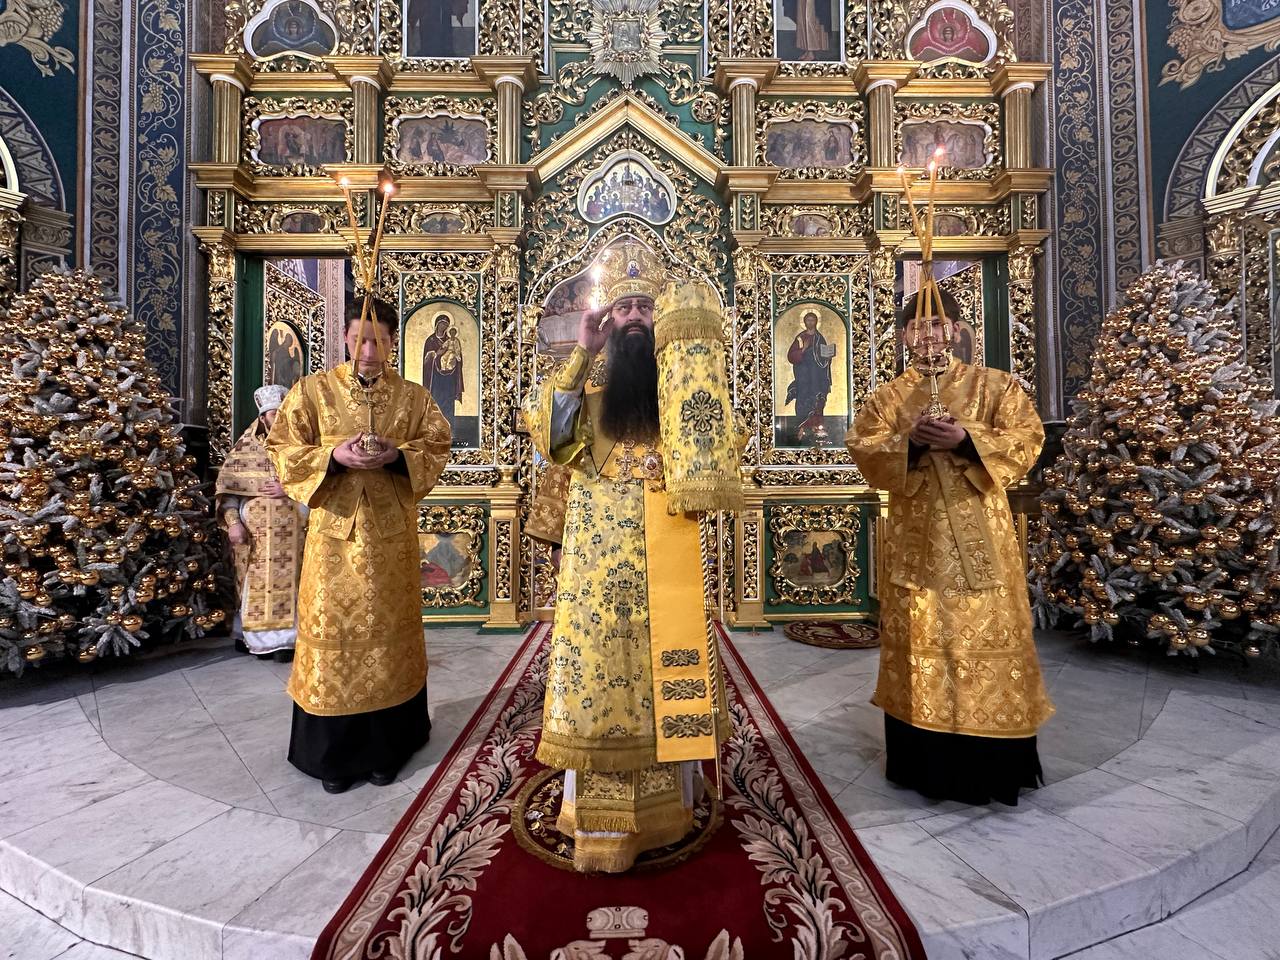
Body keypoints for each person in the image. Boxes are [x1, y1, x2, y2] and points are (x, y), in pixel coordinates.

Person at [522, 243, 740, 872]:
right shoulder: (589, 378)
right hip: (596, 561)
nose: (637, 315)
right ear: (609, 319)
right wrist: (580, 352)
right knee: (600, 671)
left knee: (662, 668)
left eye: (646, 305)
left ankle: (671, 807)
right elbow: (551, 437)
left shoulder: (678, 378)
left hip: (666, 542)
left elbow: (712, 438)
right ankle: (599, 822)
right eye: (625, 308)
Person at [846, 287, 1052, 805]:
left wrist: (967, 440)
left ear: (957, 330)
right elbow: (864, 448)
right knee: (925, 644)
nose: (928, 334)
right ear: (902, 336)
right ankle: (926, 766)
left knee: (988, 639)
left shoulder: (995, 384)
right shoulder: (889, 398)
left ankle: (994, 767)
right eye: (916, 326)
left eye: (937, 324)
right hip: (920, 546)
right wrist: (910, 442)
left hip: (984, 542)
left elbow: (1028, 438)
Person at [267, 298, 452, 794]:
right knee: (335, 636)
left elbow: (437, 445)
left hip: (391, 541)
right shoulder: (313, 391)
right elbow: (282, 447)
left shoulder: (413, 398)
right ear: (346, 339)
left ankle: (387, 750)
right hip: (333, 540)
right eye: (360, 339)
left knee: (387, 641)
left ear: (393, 342)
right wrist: (333, 456)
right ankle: (332, 754)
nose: (369, 350)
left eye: (380, 340)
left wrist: (397, 455)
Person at [216, 385, 307, 663]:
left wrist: (289, 488)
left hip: (293, 535)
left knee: (293, 583)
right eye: (272, 414)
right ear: (262, 417)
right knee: (252, 583)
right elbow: (228, 494)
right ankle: (251, 637)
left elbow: (318, 484)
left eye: (282, 414)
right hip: (254, 537)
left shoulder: (302, 448)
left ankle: (286, 641)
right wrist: (234, 524)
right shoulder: (244, 449)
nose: (277, 419)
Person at [786, 310, 834, 444]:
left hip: (817, 376)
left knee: (818, 399)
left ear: (816, 322)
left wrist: (828, 356)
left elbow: (823, 358)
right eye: (808, 320)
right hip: (804, 375)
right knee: (804, 398)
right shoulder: (800, 338)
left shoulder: (820, 338)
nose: (810, 322)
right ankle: (801, 429)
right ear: (805, 322)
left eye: (813, 320)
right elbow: (791, 356)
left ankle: (817, 428)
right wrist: (803, 349)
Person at [421, 313, 464, 435]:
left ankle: (449, 430)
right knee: (436, 401)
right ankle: (434, 430)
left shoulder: (451, 340)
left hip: (449, 377)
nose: (443, 327)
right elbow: (426, 361)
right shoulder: (430, 340)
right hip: (435, 378)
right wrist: (435, 354)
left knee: (449, 402)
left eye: (446, 325)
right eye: (442, 324)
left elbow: (458, 355)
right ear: (437, 325)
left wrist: (456, 359)